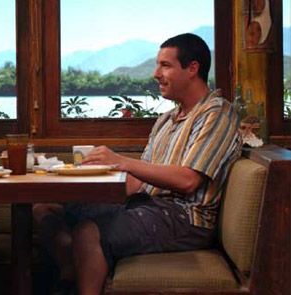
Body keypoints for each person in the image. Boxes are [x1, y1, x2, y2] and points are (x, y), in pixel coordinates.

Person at [33, 33, 242, 295]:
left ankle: (78, 278)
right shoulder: (166, 120)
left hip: (186, 217)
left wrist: (121, 161)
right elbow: (136, 182)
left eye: (165, 65)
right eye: (157, 64)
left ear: (192, 69)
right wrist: (78, 181)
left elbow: (188, 181)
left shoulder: (217, 113)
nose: (156, 73)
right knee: (46, 209)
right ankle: (70, 269)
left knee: (88, 232)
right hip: (145, 203)